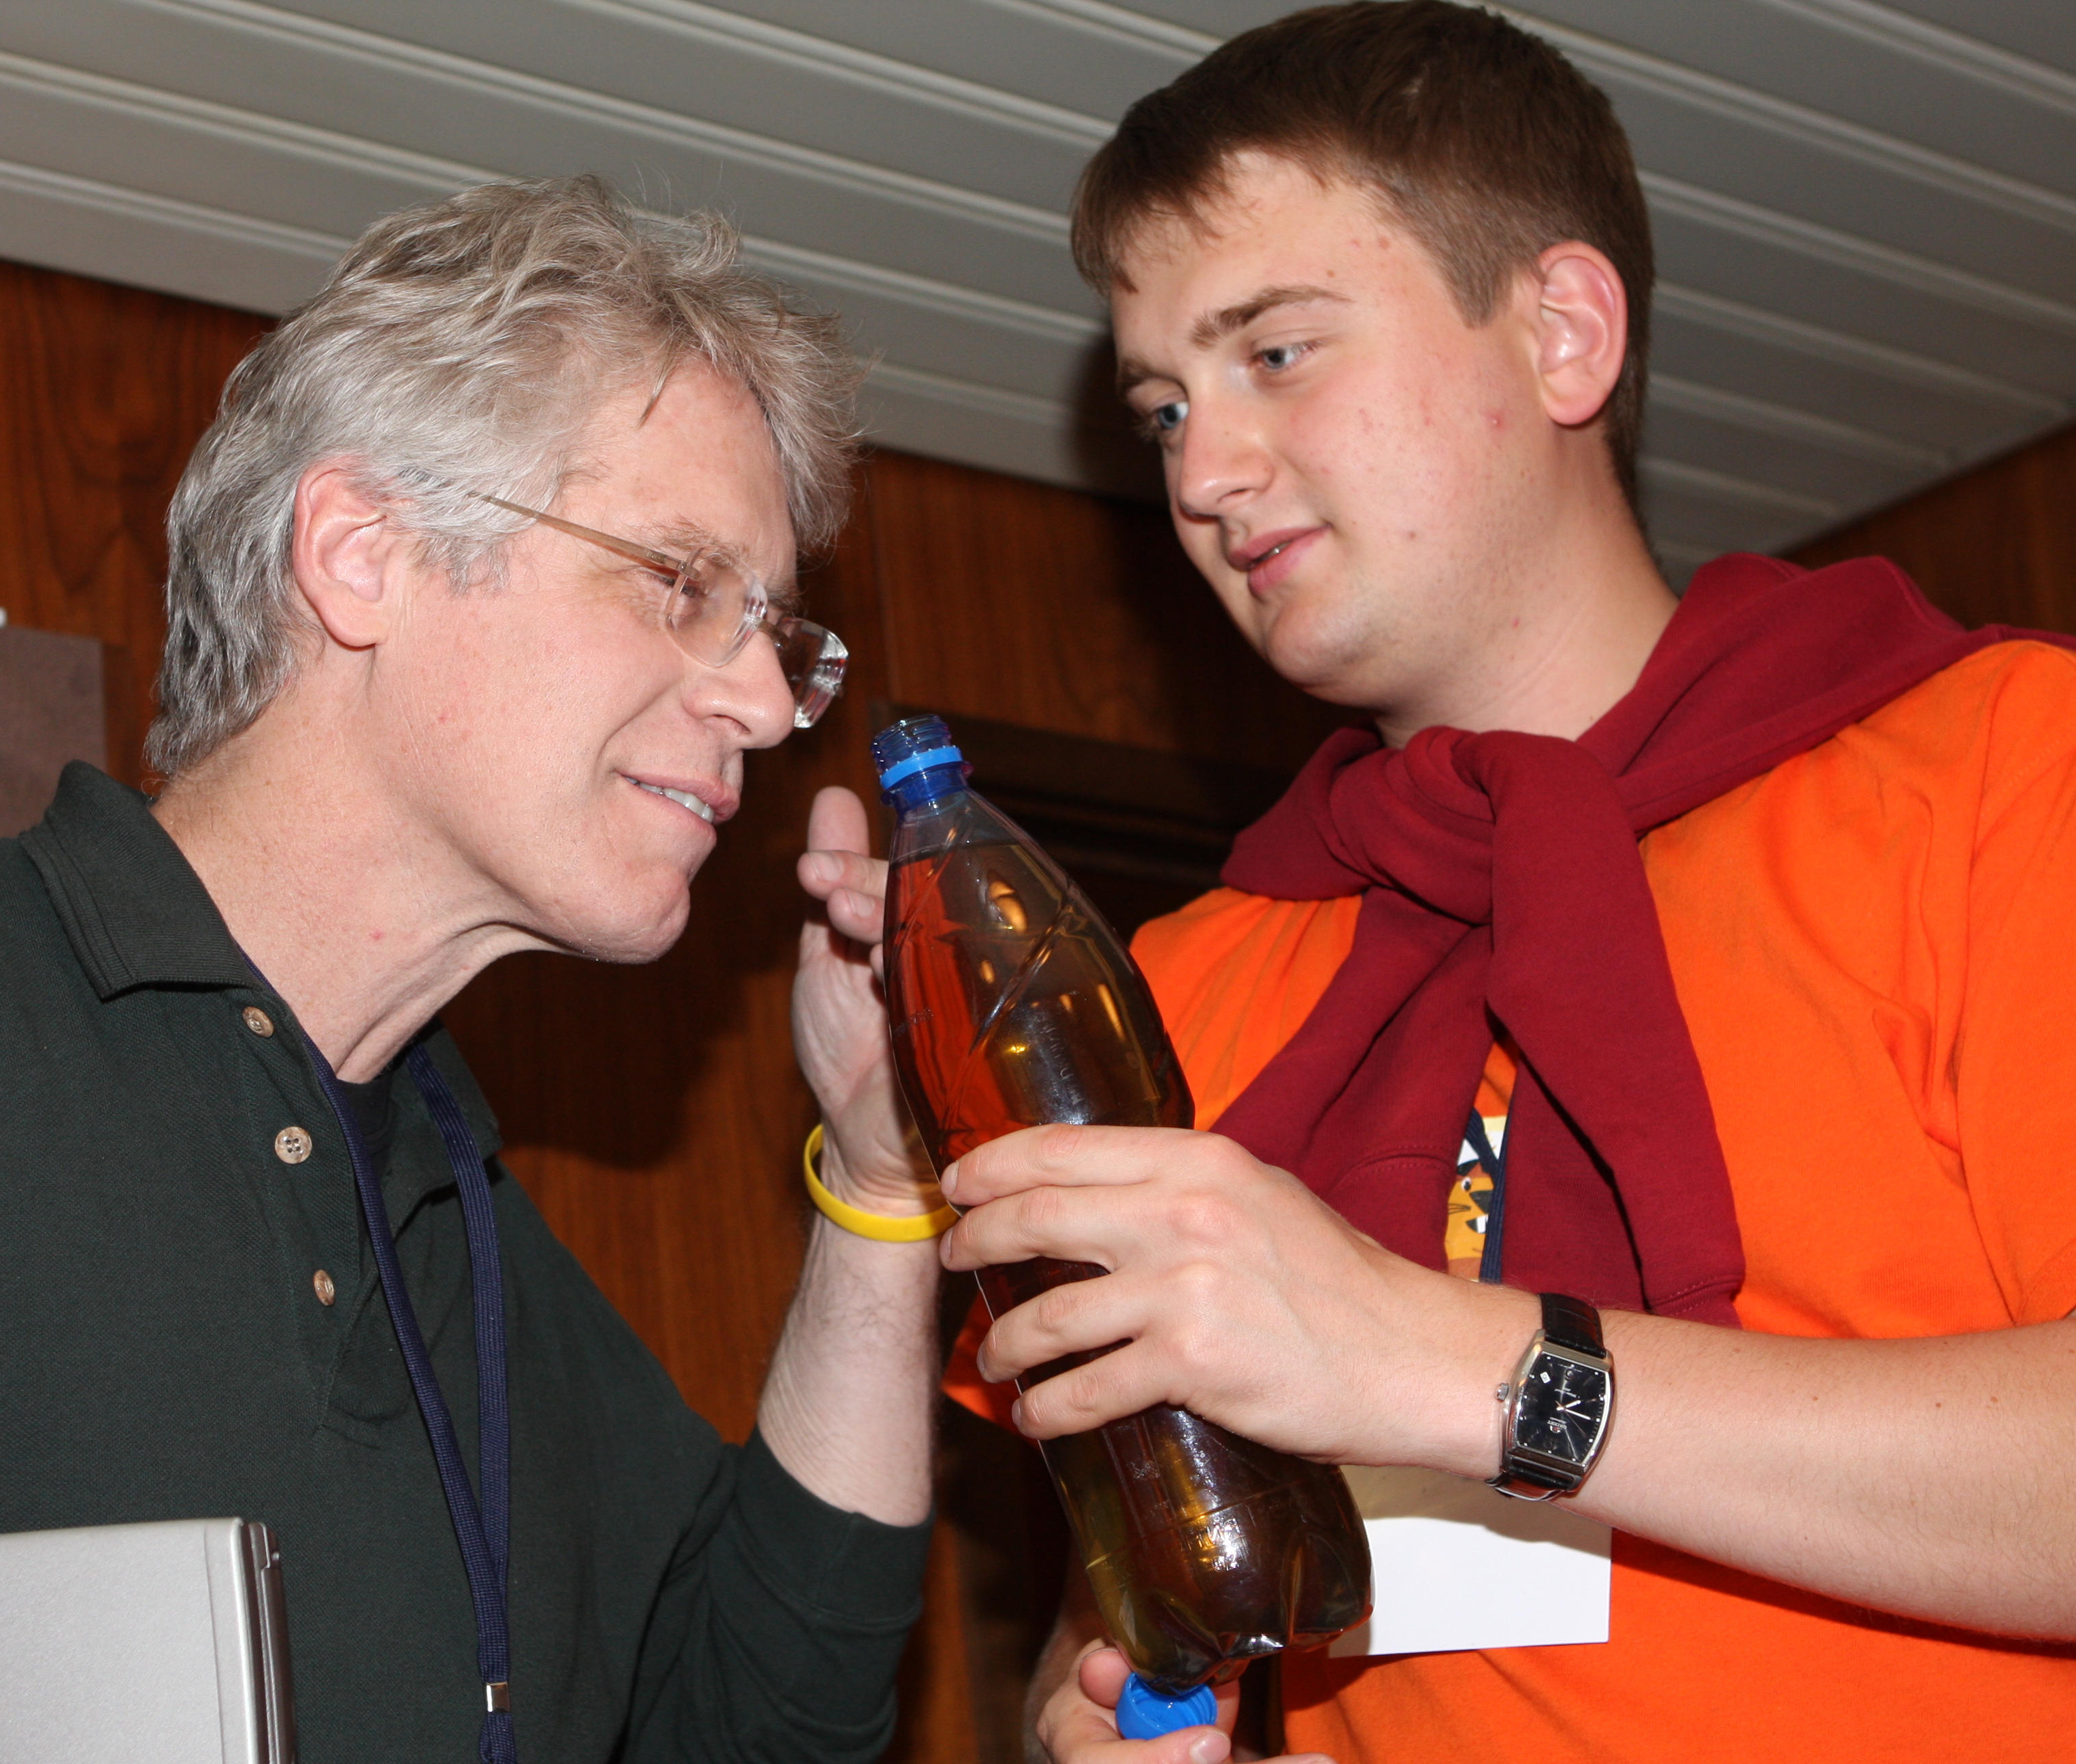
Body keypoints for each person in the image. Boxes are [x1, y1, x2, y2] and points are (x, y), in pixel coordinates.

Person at [0, 177, 949, 1763]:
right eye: (680, 584)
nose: (765, 704)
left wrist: (879, 1184)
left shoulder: (482, 1257)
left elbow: (754, 1729)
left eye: (778, 637)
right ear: (362, 556)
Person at [802, 5, 2076, 1761]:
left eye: (1276, 353)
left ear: (1563, 336)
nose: (1201, 473)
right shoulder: (1186, 974)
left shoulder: (2005, 768)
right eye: (1163, 409)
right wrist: (1088, 1720)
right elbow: (1145, 1588)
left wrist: (1451, 1362)